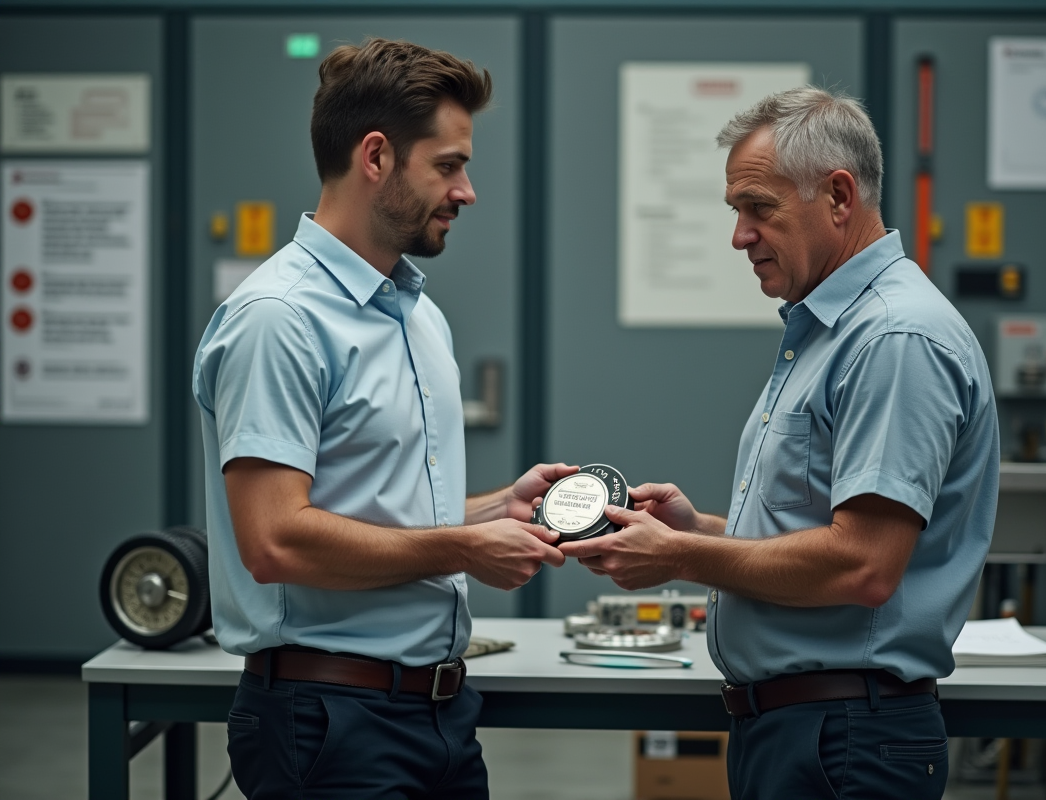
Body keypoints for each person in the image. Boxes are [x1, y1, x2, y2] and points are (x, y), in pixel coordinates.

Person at [559, 87, 999, 800]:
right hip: (804, 733)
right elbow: (820, 531)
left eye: (758, 208)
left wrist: (679, 556)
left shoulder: (893, 338)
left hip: (844, 738)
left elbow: (863, 567)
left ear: (838, 196)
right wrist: (700, 530)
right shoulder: (831, 332)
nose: (739, 235)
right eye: (736, 211)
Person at [193, 38, 570, 799]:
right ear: (375, 157)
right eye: (449, 164)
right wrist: (465, 546)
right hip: (329, 722)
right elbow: (274, 540)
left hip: (440, 717)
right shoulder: (279, 319)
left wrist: (499, 508)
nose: (466, 190)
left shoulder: (417, 315)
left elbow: (377, 512)